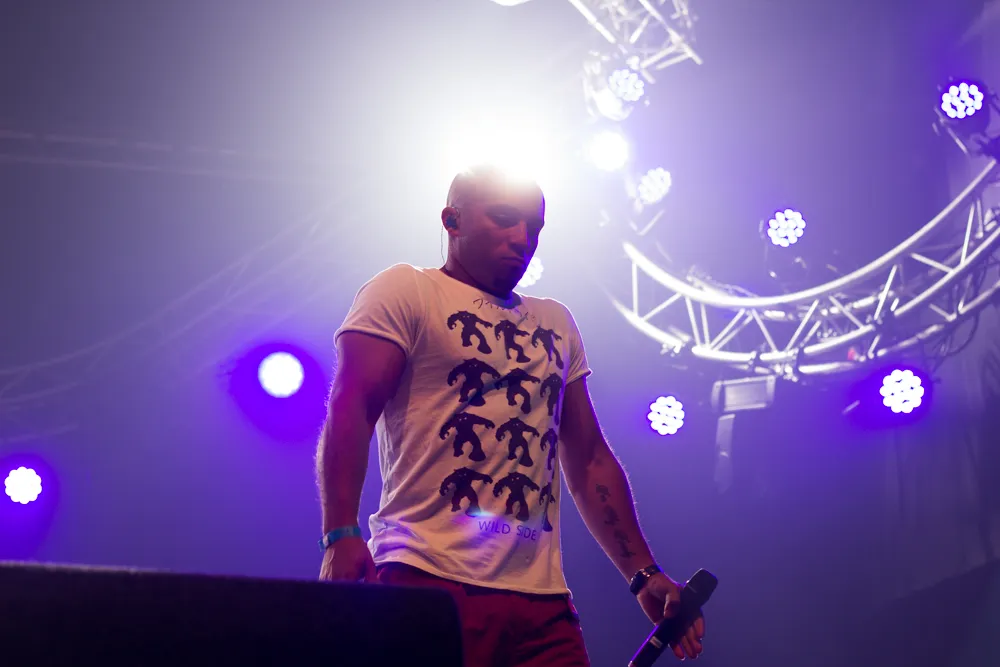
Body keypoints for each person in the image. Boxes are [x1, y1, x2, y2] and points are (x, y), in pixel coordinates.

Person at [316, 165, 705, 666]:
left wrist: (643, 575)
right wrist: (340, 533)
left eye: (534, 227)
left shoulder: (556, 320)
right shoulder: (406, 289)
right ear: (452, 220)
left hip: (541, 603)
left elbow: (588, 459)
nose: (522, 239)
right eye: (503, 219)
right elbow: (351, 406)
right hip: (423, 575)